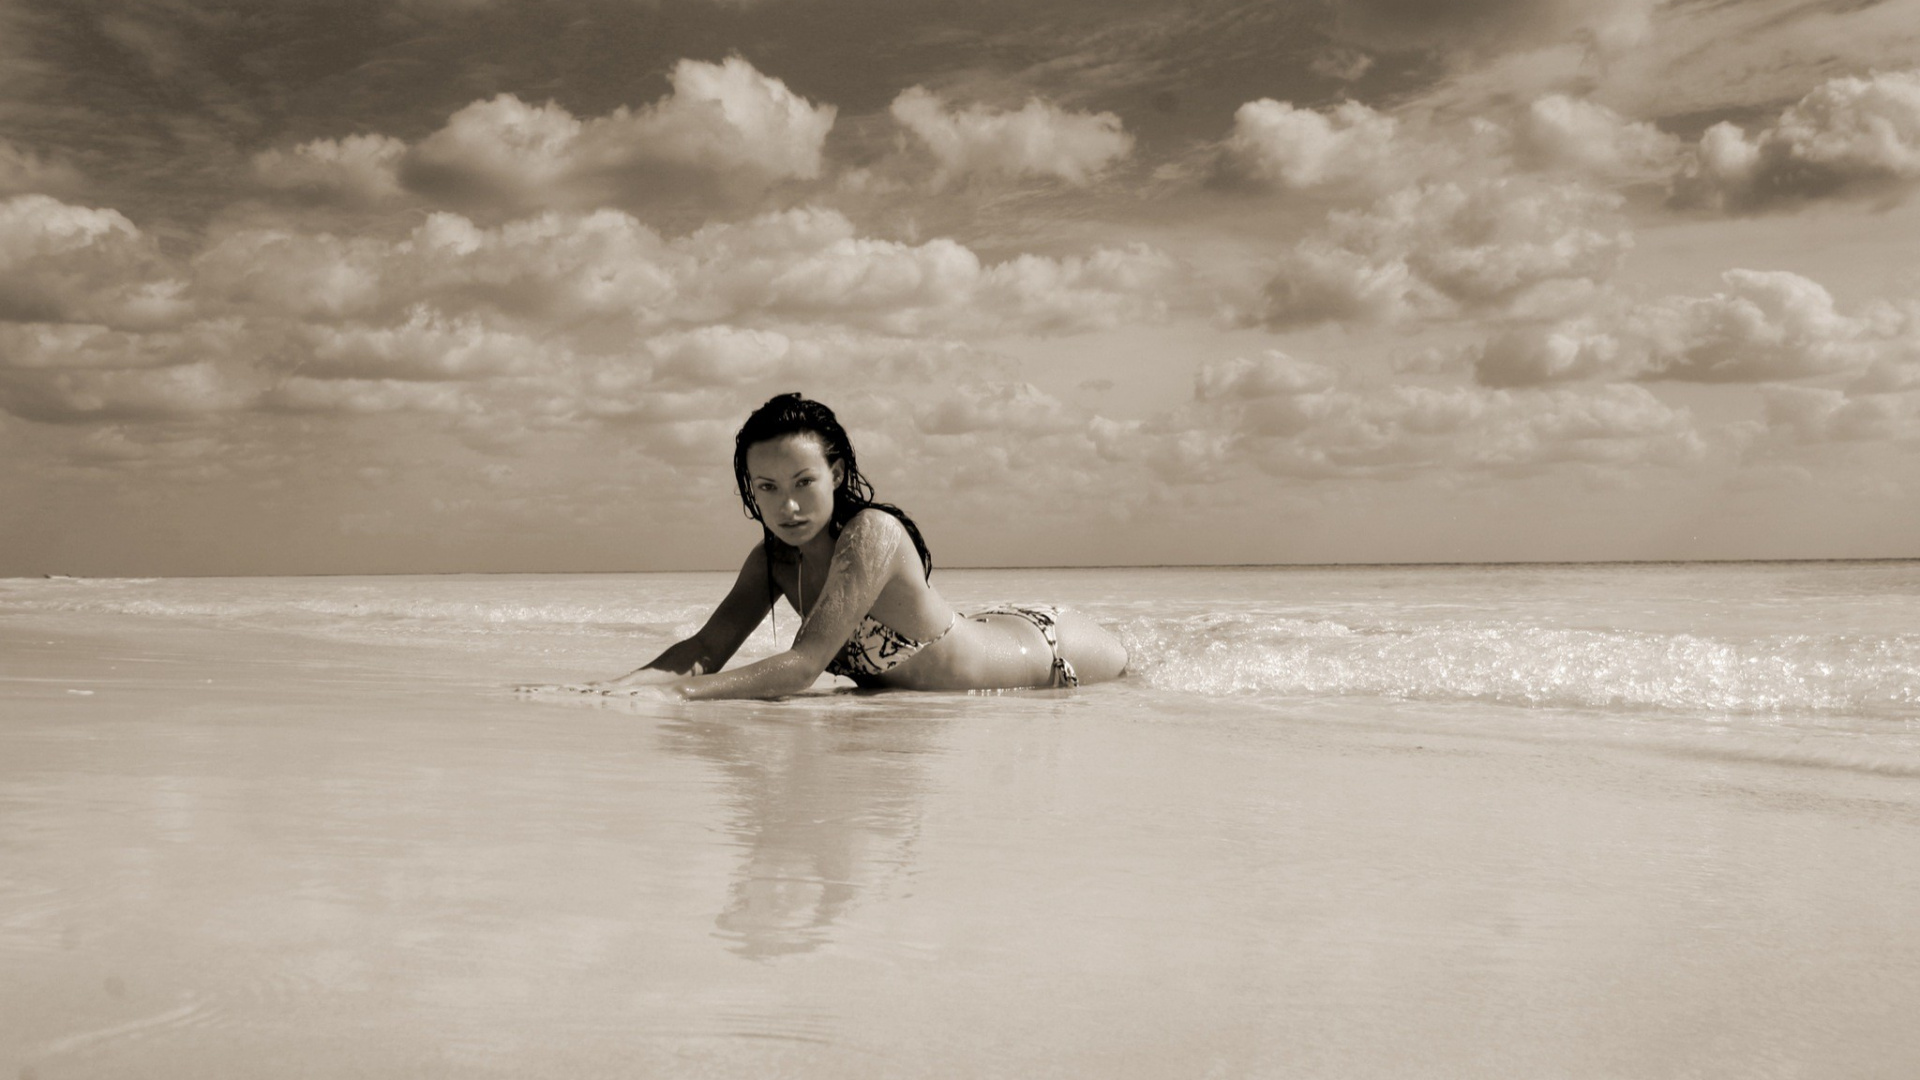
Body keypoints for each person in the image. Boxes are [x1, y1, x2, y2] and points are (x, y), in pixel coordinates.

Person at [583, 393, 1129, 700]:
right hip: (986, 628)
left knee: (1141, 685)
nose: (787, 507)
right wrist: (612, 690)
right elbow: (704, 650)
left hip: (1050, 651)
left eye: (804, 482)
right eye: (767, 488)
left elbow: (803, 667)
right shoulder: (774, 562)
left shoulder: (871, 534)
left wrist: (675, 697)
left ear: (837, 474)